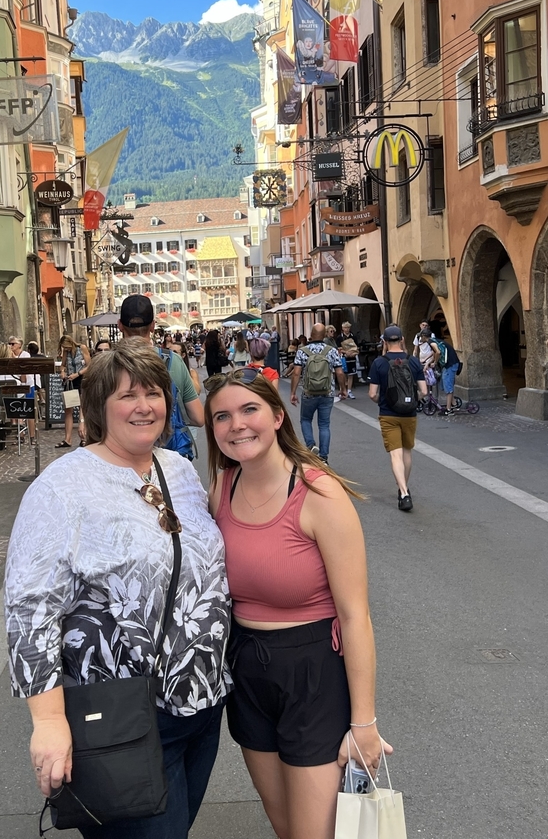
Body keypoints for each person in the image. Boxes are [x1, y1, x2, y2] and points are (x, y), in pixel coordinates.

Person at [5, 340, 231, 839]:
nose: (144, 406)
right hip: (122, 715)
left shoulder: (176, 468)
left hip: (198, 706)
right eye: (128, 395)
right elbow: (30, 610)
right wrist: (48, 722)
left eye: (154, 393)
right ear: (99, 407)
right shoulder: (62, 487)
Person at [204, 368, 390, 839]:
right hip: (247, 671)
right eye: (222, 416)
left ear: (278, 416)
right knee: (286, 826)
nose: (236, 425)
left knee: (316, 834)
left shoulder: (318, 491)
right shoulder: (219, 491)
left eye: (249, 410)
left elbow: (355, 615)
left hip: (313, 672)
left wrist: (363, 721)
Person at [118, 295, 204, 432]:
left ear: (120, 325)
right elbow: (198, 418)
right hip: (168, 449)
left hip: (123, 449)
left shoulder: (107, 364)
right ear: (152, 326)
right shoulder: (173, 360)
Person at [368, 325, 427, 512]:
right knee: (407, 452)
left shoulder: (379, 363)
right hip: (409, 414)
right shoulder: (413, 361)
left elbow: (372, 394)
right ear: (402, 339)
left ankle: (403, 492)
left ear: (384, 342)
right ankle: (403, 489)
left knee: (396, 454)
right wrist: (411, 400)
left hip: (388, 414)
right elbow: (424, 391)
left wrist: (383, 400)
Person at [290, 324, 345, 464]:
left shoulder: (302, 351)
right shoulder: (332, 351)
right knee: (324, 424)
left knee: (306, 420)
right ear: (324, 335)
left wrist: (293, 392)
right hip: (327, 392)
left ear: (312, 334)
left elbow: (296, 373)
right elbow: (339, 372)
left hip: (309, 393)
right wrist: (343, 389)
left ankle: (311, 445)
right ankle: (324, 457)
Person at [56, 335, 91, 449]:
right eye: (63, 348)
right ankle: (68, 439)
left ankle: (84, 437)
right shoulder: (66, 352)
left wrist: (78, 374)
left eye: (66, 347)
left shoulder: (82, 348)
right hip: (70, 381)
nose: (65, 349)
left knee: (82, 407)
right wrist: (62, 372)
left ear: (71, 343)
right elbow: (62, 365)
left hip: (81, 379)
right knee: (68, 409)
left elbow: (89, 366)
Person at [335, 321, 359, 400]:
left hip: (352, 358)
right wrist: (346, 352)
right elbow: (338, 348)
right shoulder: (339, 337)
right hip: (344, 358)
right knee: (343, 374)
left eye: (348, 327)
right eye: (345, 327)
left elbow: (357, 347)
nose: (347, 329)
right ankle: (343, 390)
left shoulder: (353, 336)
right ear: (342, 328)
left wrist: (354, 353)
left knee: (351, 375)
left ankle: (349, 390)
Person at [413, 329, 440, 397]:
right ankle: (425, 398)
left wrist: (429, 361)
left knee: (432, 379)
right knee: (423, 380)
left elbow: (435, 351)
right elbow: (415, 349)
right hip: (421, 360)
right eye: (423, 325)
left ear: (424, 336)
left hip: (430, 361)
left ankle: (434, 398)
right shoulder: (418, 336)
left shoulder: (431, 340)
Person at [439, 339, 461, 415]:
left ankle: (449, 410)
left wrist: (433, 362)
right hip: (450, 365)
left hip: (450, 365)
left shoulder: (433, 343)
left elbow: (437, 353)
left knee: (448, 387)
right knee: (446, 385)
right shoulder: (438, 342)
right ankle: (454, 403)